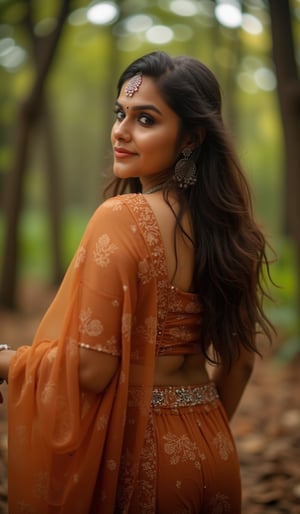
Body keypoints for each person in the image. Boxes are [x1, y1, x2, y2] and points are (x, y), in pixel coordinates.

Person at [0, 51, 273, 513]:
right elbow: (240, 365)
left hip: (139, 456)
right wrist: (195, 436)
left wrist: (7, 363)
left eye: (145, 119)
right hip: (214, 448)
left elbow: (90, 369)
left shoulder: (121, 217)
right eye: (119, 114)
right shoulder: (230, 231)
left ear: (191, 137)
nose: (121, 132)